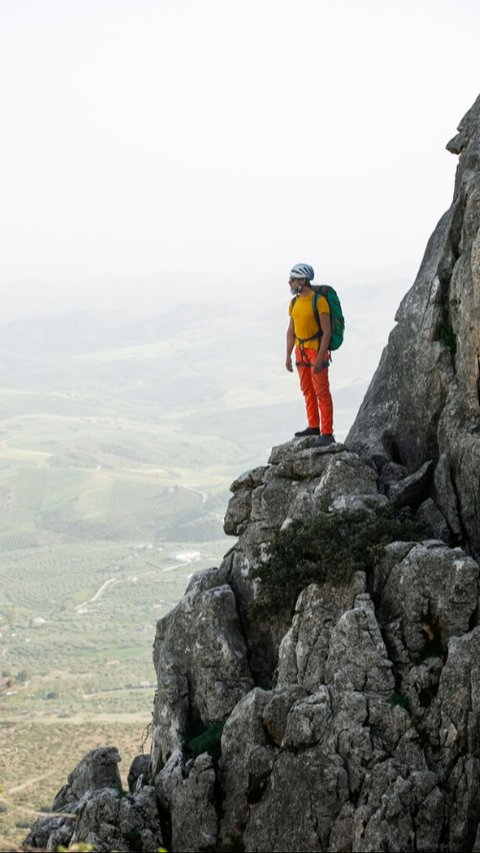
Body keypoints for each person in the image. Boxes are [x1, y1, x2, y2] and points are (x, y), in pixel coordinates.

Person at [285, 263, 335, 446]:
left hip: (315, 352)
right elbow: (291, 331)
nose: (290, 283)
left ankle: (327, 433)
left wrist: (321, 357)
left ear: (303, 280)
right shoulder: (294, 303)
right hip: (301, 352)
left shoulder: (319, 302)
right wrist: (288, 355)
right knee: (307, 391)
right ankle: (314, 426)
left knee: (322, 392)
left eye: (293, 279)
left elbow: (327, 332)